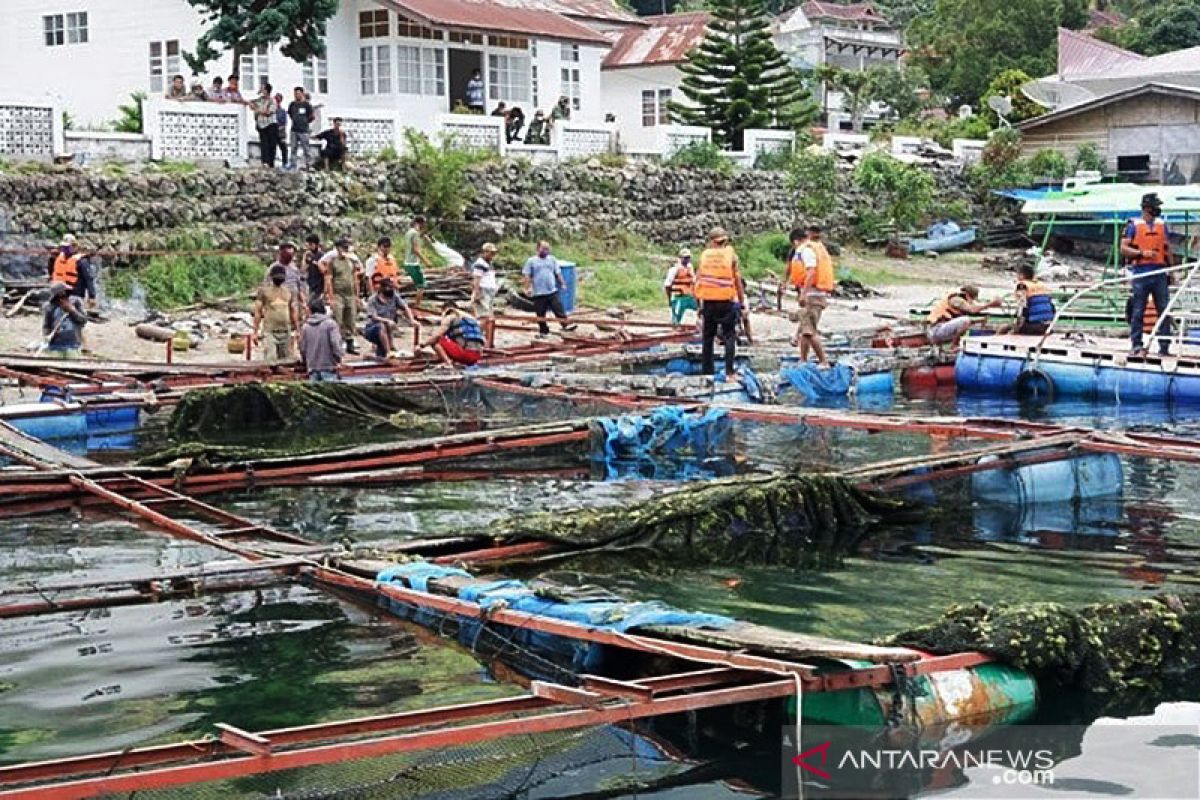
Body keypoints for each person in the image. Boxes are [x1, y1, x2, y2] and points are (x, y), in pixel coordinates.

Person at [1121, 192, 1172, 356]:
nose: (1158, 210)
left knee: (1163, 310)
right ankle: (1136, 344)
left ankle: (1164, 346)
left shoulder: (1162, 225)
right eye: (1155, 207)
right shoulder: (1133, 225)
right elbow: (1123, 248)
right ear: (1147, 208)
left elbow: (1167, 248)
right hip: (1141, 273)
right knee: (1138, 310)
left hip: (1160, 272)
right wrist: (1141, 253)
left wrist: (1172, 270)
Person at [694, 227, 748, 377]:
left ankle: (707, 373)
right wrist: (742, 301)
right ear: (724, 241)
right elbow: (737, 280)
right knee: (729, 335)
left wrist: (699, 305)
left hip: (708, 300)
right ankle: (729, 372)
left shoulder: (704, 256)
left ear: (711, 242)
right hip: (726, 301)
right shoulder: (731, 256)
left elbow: (697, 280)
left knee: (708, 337)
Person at [796, 225, 836, 367]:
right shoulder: (820, 248)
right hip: (818, 294)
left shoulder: (808, 250)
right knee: (806, 330)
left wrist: (803, 293)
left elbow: (811, 272)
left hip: (812, 295)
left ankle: (823, 361)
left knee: (809, 331)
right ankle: (803, 360)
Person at [319, 235, 364, 354]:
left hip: (350, 294)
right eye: (343, 248)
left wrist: (357, 295)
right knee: (338, 319)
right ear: (337, 248)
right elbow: (328, 278)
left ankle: (350, 343)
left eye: (346, 247)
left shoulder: (351, 261)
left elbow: (355, 278)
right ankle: (336, 345)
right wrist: (330, 296)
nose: (345, 250)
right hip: (338, 294)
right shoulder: (332, 262)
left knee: (351, 318)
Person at [522, 241, 577, 337]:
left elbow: (558, 273)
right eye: (544, 249)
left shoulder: (552, 259)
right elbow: (527, 276)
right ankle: (543, 330)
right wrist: (527, 288)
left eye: (547, 249)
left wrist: (563, 283)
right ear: (538, 248)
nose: (546, 251)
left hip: (552, 290)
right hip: (539, 292)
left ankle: (565, 324)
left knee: (558, 308)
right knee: (540, 313)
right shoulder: (531, 261)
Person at [252, 264, 300, 365]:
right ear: (271, 277)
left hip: (286, 330)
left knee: (286, 361)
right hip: (270, 331)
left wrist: (298, 330)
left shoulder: (289, 291)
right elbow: (257, 312)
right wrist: (255, 332)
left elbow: (293, 311)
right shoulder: (264, 291)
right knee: (271, 360)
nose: (279, 278)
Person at [926, 285, 1001, 349]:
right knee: (965, 320)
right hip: (935, 331)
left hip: (941, 329)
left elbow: (959, 321)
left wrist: (979, 321)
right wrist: (990, 304)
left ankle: (955, 345)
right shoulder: (956, 299)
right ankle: (954, 345)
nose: (972, 302)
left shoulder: (961, 303)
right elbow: (972, 310)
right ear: (967, 295)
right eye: (972, 299)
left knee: (966, 321)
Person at [364, 277, 417, 359]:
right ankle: (389, 352)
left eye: (392, 287)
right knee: (381, 325)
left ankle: (377, 353)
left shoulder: (394, 296)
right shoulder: (373, 300)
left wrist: (411, 319)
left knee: (381, 354)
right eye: (389, 287)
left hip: (387, 330)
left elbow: (405, 308)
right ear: (382, 288)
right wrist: (387, 321)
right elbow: (374, 317)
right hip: (372, 329)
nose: (391, 289)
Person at [299, 296, 343, 382]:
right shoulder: (331, 324)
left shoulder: (305, 327)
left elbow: (302, 348)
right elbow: (335, 343)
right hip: (329, 367)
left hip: (312, 368)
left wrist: (306, 362)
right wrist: (338, 359)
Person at [430, 302, 486, 367]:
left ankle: (448, 364)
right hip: (477, 356)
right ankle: (455, 361)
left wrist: (421, 345)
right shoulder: (469, 319)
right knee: (455, 339)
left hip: (465, 355)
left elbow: (437, 335)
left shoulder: (450, 317)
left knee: (436, 339)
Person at [48, 234, 96, 309]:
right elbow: (51, 272)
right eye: (63, 247)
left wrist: (92, 296)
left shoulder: (81, 261)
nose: (65, 249)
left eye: (67, 247)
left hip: (75, 294)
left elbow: (88, 279)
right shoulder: (58, 257)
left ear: (74, 247)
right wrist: (51, 259)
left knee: (73, 315)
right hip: (59, 293)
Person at [41, 282, 88, 360]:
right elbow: (46, 325)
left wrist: (72, 310)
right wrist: (47, 336)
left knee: (73, 366)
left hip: (73, 344)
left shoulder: (76, 302)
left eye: (64, 294)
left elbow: (83, 320)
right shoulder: (49, 307)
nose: (62, 297)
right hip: (55, 346)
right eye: (59, 295)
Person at [1011, 263, 1056, 336]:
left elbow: (1022, 309)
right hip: (1049, 326)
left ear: (1021, 275)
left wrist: (1016, 328)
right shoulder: (1042, 285)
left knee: (1005, 328)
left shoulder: (1022, 286)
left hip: (1034, 326)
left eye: (1017, 274)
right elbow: (1052, 308)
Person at [470, 242, 500, 347]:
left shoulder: (489, 264)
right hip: (483, 292)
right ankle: (472, 336)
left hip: (489, 293)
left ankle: (488, 341)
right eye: (491, 253)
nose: (492, 256)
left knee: (489, 318)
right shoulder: (480, 264)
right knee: (484, 318)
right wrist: (477, 293)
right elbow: (476, 279)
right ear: (485, 252)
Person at [402, 216, 434, 308]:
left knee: (417, 283)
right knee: (421, 285)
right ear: (420, 223)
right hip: (413, 263)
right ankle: (417, 305)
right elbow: (415, 249)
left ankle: (414, 303)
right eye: (424, 223)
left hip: (407, 262)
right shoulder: (415, 233)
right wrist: (426, 261)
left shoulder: (409, 233)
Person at [663, 247, 697, 327]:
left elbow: (694, 281)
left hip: (690, 296)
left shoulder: (690, 268)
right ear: (680, 258)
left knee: (702, 310)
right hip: (678, 297)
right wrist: (669, 299)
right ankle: (674, 331)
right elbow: (667, 285)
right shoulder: (674, 269)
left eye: (688, 257)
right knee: (676, 318)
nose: (687, 259)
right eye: (685, 258)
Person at [249, 83, 279, 167]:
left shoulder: (272, 100)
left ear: (266, 90)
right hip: (261, 124)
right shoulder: (259, 100)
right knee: (263, 144)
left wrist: (258, 110)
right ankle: (265, 162)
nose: (261, 90)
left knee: (272, 145)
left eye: (262, 89)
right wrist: (252, 105)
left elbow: (269, 112)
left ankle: (271, 163)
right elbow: (250, 103)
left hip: (270, 124)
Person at [287, 87, 316, 171]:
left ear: (302, 94)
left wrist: (305, 121)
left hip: (304, 130)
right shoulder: (292, 104)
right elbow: (290, 114)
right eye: (295, 94)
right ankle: (293, 165)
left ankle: (309, 165)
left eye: (298, 94)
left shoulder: (307, 105)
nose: (297, 95)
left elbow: (312, 116)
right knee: (293, 148)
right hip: (294, 130)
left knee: (306, 148)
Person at [302, 234, 326, 301]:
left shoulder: (322, 255)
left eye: (311, 244)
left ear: (316, 244)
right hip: (311, 285)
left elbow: (324, 271)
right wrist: (304, 258)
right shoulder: (308, 255)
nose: (309, 246)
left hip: (319, 286)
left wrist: (317, 263)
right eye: (308, 245)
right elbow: (303, 270)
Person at [274, 92, 289, 167]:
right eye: (276, 99)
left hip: (280, 133)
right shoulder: (271, 110)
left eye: (278, 99)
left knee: (284, 148)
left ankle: (285, 163)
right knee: (272, 149)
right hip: (272, 132)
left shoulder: (283, 111)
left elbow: (284, 123)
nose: (277, 101)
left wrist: (280, 128)